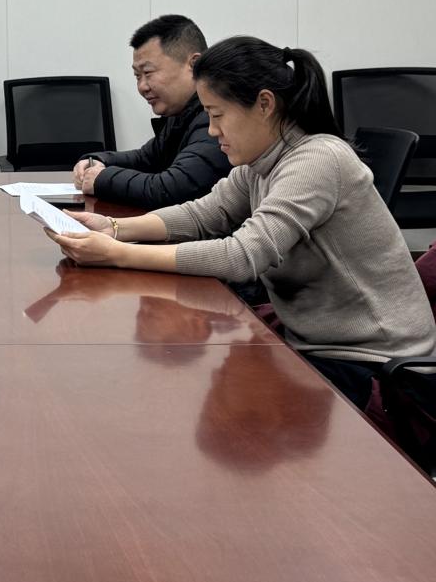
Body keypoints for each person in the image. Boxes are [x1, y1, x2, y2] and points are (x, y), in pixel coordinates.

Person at [46, 35, 436, 408]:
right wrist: (115, 228)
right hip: (321, 346)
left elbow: (242, 255)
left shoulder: (317, 160)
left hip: (382, 372)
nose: (212, 130)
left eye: (217, 115)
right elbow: (203, 213)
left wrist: (118, 254)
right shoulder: (262, 162)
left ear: (264, 104)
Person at [72, 14, 230, 207]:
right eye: (137, 76)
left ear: (194, 65)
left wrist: (102, 178)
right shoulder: (180, 114)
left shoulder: (214, 116)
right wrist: (97, 160)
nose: (142, 87)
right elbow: (145, 159)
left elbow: (171, 189)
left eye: (148, 73)